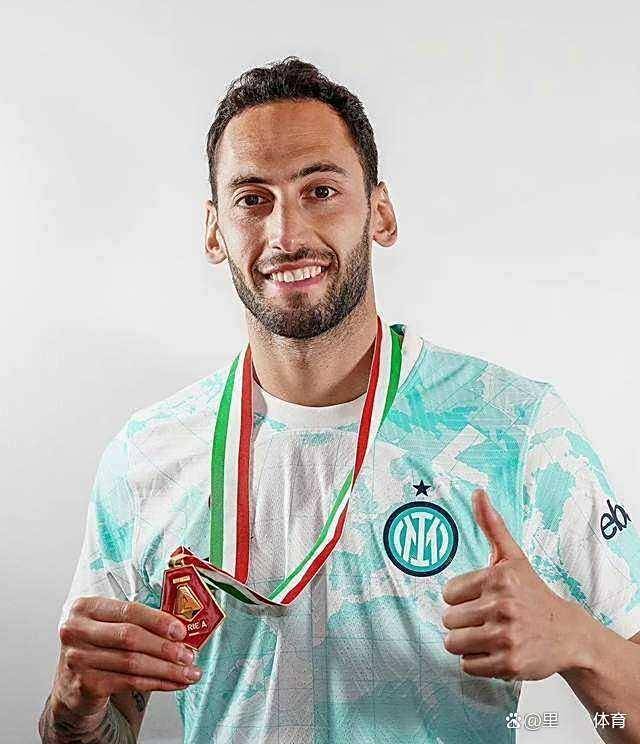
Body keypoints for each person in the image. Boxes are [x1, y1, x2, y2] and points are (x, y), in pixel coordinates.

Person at [39, 56, 640, 744]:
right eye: (252, 199)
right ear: (213, 230)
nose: (286, 235)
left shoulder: (516, 426)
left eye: (320, 190)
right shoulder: (146, 456)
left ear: (380, 212)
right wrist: (74, 703)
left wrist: (582, 643)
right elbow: (99, 730)